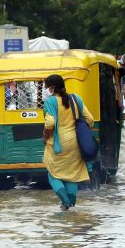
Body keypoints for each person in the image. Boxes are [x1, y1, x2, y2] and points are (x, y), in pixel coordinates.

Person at [42, 74, 94, 210]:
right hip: (76, 143)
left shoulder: (50, 102)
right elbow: (90, 119)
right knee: (72, 175)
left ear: (52, 88)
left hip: (57, 143)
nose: (45, 90)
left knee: (53, 174)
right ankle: (70, 207)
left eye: (46, 87)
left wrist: (45, 135)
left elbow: (50, 123)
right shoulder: (76, 99)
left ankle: (65, 202)